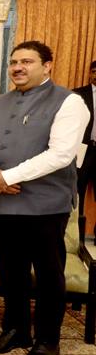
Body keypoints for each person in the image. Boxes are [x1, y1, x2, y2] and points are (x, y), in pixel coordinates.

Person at [0, 41, 90, 355]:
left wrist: (6, 176)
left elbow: (61, 154)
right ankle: (16, 330)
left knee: (48, 274)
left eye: (27, 61)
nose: (18, 67)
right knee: (11, 272)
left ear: (47, 65)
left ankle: (48, 339)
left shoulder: (70, 102)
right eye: (14, 62)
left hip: (45, 207)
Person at [73, 60, 96, 238]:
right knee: (77, 190)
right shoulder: (77, 95)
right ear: (89, 73)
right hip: (83, 150)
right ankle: (76, 235)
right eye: (94, 71)